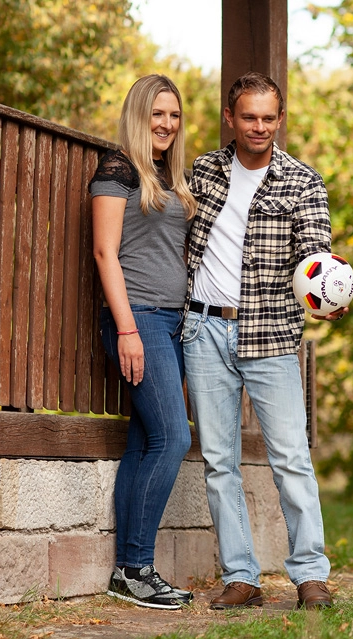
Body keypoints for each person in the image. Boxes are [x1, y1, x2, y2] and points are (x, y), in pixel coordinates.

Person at [181, 71, 345, 610]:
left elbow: (315, 252)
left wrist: (328, 289)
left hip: (271, 332)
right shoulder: (203, 171)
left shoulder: (302, 182)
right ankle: (241, 576)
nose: (258, 127)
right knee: (219, 461)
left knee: (291, 458)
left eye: (268, 118)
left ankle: (310, 575)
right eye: (248, 117)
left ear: (280, 119)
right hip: (204, 328)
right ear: (231, 117)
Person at [89, 74, 197, 610]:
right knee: (175, 438)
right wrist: (128, 328)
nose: (167, 124)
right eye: (158, 113)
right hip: (141, 321)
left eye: (175, 115)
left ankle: (127, 572)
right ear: (138, 114)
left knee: (146, 441)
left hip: (174, 323)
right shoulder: (118, 167)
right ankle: (137, 566)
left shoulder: (169, 174)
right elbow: (106, 253)